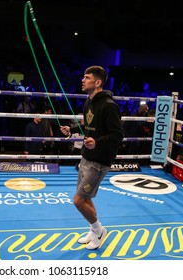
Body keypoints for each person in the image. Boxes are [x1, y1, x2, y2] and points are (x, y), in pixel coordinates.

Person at [60, 65, 124, 250]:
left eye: (86, 77)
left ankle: (99, 230)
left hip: (99, 160)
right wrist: (71, 130)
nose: (82, 80)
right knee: (86, 199)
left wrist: (97, 142)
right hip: (86, 157)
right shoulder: (89, 101)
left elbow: (118, 135)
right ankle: (93, 229)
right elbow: (89, 126)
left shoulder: (109, 106)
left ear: (97, 82)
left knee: (78, 201)